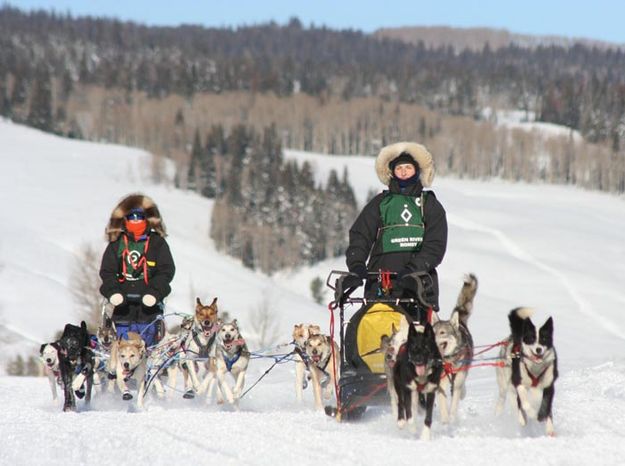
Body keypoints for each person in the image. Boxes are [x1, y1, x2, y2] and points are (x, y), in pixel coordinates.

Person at [342, 142, 448, 319]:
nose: (404, 171)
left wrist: (412, 270)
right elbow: (361, 235)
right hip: (380, 283)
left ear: (417, 171)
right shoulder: (380, 203)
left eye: (408, 167)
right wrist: (357, 264)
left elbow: (435, 247)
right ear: (392, 172)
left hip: (418, 285)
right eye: (399, 168)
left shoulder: (430, 204)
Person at [99, 193, 175, 346]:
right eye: (131, 218)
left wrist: (155, 292)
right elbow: (107, 272)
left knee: (146, 347)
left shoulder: (157, 243)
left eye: (139, 217)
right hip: (122, 308)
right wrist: (113, 292)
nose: (135, 221)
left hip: (149, 308)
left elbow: (166, 270)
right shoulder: (116, 244)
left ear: (146, 220)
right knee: (123, 349)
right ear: (124, 221)